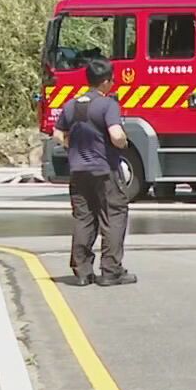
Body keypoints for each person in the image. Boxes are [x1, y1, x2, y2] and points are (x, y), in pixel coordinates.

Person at [52, 58, 137, 286]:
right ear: (106, 82)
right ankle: (111, 271)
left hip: (78, 171)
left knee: (84, 217)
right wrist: (123, 143)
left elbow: (57, 134)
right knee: (114, 215)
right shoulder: (107, 104)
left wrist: (72, 146)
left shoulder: (72, 104)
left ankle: (82, 271)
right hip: (104, 170)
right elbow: (116, 135)